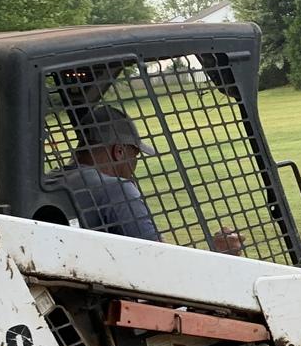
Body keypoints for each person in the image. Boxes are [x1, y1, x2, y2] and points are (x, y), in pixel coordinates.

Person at [54, 104, 243, 253]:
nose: (134, 167)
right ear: (119, 151)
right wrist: (218, 251)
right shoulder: (116, 190)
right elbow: (159, 262)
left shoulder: (54, 181)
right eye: (134, 156)